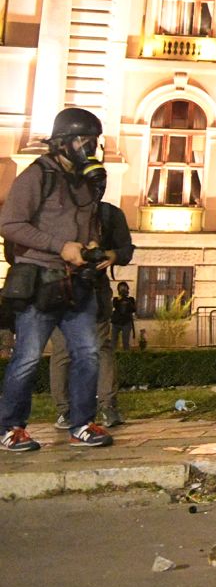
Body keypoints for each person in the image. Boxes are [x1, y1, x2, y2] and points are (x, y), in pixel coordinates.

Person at [0, 108, 116, 450]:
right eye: (84, 140)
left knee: (88, 353)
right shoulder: (36, 175)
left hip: (76, 282)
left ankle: (82, 423)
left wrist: (94, 243)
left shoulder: (86, 180)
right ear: (63, 142)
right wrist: (59, 246)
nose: (90, 147)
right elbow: (9, 224)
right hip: (40, 281)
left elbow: (89, 222)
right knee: (28, 358)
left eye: (94, 140)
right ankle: (10, 428)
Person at [48, 158, 133, 431]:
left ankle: (107, 406)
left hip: (95, 289)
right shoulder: (59, 214)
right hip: (62, 287)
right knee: (63, 351)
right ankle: (65, 410)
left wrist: (112, 255)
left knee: (101, 347)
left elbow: (126, 250)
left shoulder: (110, 215)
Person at [109, 282, 137, 351]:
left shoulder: (131, 299)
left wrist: (126, 299)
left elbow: (134, 309)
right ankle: (113, 357)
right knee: (113, 342)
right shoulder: (116, 299)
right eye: (121, 288)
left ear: (127, 289)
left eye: (124, 287)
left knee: (125, 342)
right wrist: (121, 298)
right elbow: (115, 305)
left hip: (126, 322)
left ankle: (126, 358)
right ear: (118, 289)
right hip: (116, 322)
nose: (123, 289)